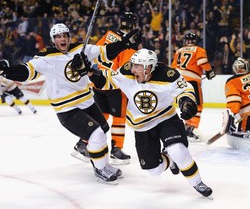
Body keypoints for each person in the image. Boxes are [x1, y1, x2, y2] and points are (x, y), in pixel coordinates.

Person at [0, 23, 142, 184]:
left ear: (69, 37)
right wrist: (9, 71)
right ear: (54, 40)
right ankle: (101, 169)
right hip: (67, 108)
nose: (63, 39)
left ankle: (101, 163)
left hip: (87, 102)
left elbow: (104, 52)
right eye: (59, 37)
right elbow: (27, 72)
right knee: (97, 134)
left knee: (103, 128)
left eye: (65, 35)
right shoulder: (46, 57)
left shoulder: (80, 49)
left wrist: (124, 44)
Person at [85, 48, 213, 198]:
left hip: (166, 119)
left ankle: (197, 183)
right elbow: (107, 80)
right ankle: (169, 159)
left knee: (178, 150)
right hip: (142, 126)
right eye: (133, 64)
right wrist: (90, 72)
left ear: (148, 68)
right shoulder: (127, 71)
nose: (133, 69)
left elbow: (184, 91)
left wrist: (186, 102)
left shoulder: (168, 75)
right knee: (154, 170)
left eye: (137, 66)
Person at [72, 12, 139, 165]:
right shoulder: (129, 45)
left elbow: (95, 51)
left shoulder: (109, 34)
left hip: (98, 79)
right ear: (133, 25)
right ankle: (116, 149)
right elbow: (127, 69)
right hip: (114, 85)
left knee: (99, 116)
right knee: (119, 118)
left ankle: (83, 143)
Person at [171, 32, 216, 142]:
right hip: (192, 81)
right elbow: (202, 62)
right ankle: (193, 128)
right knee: (198, 105)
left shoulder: (179, 51)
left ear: (185, 41)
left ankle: (186, 127)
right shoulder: (199, 50)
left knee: (185, 103)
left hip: (180, 82)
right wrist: (209, 71)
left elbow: (173, 67)